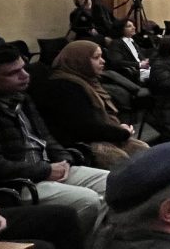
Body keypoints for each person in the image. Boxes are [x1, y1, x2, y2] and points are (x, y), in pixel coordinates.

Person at [0, 44, 108, 233]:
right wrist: (43, 171)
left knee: (112, 182)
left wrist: (64, 159)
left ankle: (99, 248)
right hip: (15, 184)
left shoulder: (20, 97)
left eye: (23, 68)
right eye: (13, 73)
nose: (25, 75)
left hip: (45, 169)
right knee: (87, 201)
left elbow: (45, 137)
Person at [39, 40, 149, 168]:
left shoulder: (88, 80)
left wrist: (119, 128)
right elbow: (85, 128)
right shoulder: (64, 87)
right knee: (121, 161)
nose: (103, 61)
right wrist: (121, 132)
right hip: (82, 143)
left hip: (101, 134)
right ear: (79, 61)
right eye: (96, 57)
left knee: (144, 151)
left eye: (101, 56)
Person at [104, 19, 150, 84]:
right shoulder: (116, 43)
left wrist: (146, 61)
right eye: (129, 26)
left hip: (142, 70)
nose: (134, 27)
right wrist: (139, 64)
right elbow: (117, 62)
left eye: (133, 25)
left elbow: (140, 56)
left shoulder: (132, 41)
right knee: (159, 74)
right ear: (121, 29)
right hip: (132, 74)